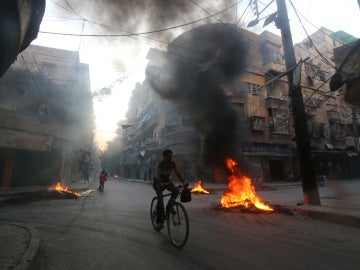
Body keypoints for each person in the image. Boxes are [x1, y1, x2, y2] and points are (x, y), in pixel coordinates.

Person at [153, 149, 186, 231]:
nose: (171, 158)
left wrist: (184, 182)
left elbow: (177, 173)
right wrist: (161, 183)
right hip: (157, 182)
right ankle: (159, 222)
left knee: (176, 190)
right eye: (169, 156)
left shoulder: (172, 163)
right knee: (160, 200)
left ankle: (169, 206)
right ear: (164, 156)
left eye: (171, 156)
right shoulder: (161, 164)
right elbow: (157, 174)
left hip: (167, 181)